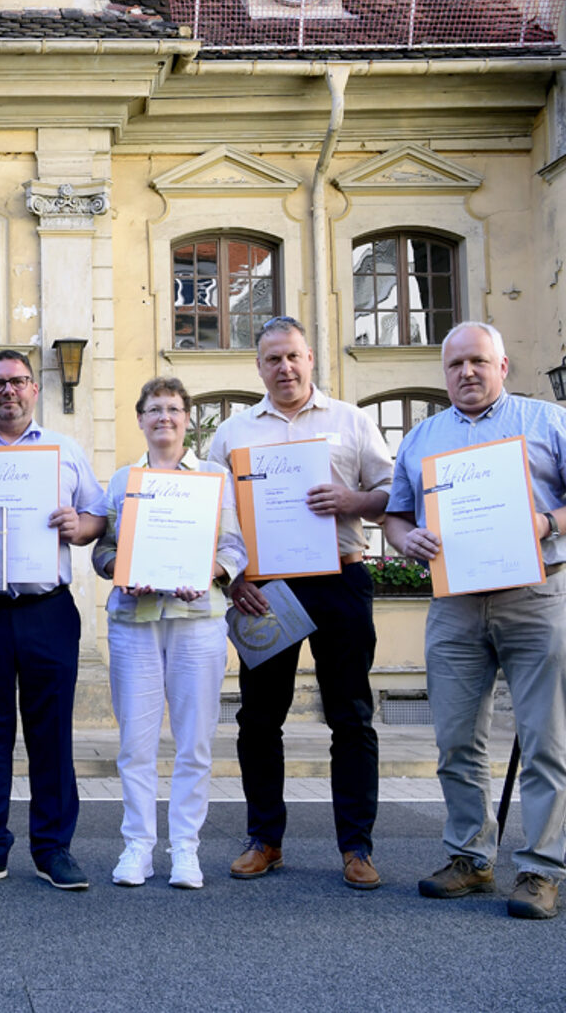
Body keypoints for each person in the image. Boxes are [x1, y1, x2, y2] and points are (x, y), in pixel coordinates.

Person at [383, 321, 566, 920]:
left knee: (543, 738)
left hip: (534, 596)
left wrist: (546, 524)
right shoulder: (423, 437)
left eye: (478, 362)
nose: (467, 372)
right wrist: (405, 539)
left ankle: (540, 870)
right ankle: (470, 857)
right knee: (455, 740)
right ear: (445, 373)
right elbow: (395, 515)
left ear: (502, 365)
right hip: (455, 605)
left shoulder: (550, 423)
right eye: (455, 364)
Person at [206, 315, 393, 890]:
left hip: (341, 578)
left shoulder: (352, 422)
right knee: (260, 719)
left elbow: (392, 497)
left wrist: (352, 498)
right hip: (264, 592)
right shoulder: (232, 433)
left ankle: (356, 847)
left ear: (311, 358)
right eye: (272, 360)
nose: (284, 368)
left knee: (351, 717)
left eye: (293, 357)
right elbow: (213, 516)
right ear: (258, 367)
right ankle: (266, 840)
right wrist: (231, 582)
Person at [0, 349, 107, 891]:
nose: (8, 391)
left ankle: (54, 850)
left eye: (18, 382)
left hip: (47, 610)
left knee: (51, 736)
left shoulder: (66, 450)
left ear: (34, 390)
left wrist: (80, 526)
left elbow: (98, 516)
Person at [91, 377, 246, 890]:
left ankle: (185, 849)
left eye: (174, 409)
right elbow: (102, 550)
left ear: (186, 419)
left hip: (197, 621)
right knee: (135, 742)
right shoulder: (122, 481)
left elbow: (235, 549)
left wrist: (209, 574)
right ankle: (138, 846)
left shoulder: (213, 477)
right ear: (140, 419)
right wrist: (121, 568)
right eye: (154, 409)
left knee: (194, 742)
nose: (164, 417)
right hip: (134, 623)